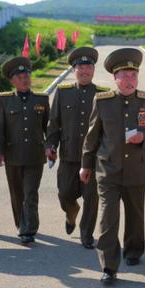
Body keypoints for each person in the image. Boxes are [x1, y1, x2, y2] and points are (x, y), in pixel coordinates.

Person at [79, 48, 145, 285]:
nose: (129, 81)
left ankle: (134, 251)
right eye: (124, 76)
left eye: (133, 76)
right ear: (115, 78)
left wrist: (144, 138)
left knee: (135, 216)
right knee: (108, 219)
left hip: (137, 169)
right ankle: (109, 266)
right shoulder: (103, 101)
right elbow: (92, 136)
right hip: (108, 171)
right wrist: (86, 165)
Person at [46, 47, 108, 249]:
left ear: (93, 70)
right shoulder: (63, 93)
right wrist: (50, 145)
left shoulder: (103, 95)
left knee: (91, 199)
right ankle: (71, 214)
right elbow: (54, 123)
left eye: (88, 67)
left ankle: (86, 235)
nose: (85, 71)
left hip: (94, 158)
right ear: (74, 70)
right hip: (69, 155)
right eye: (80, 67)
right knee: (65, 194)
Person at [0, 57, 50, 244]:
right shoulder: (4, 100)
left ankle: (28, 229)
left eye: (27, 75)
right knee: (17, 193)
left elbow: (48, 127)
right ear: (12, 80)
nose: (25, 79)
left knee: (30, 193)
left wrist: (51, 146)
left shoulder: (42, 99)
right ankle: (21, 223)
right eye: (20, 76)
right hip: (13, 155)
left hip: (35, 155)